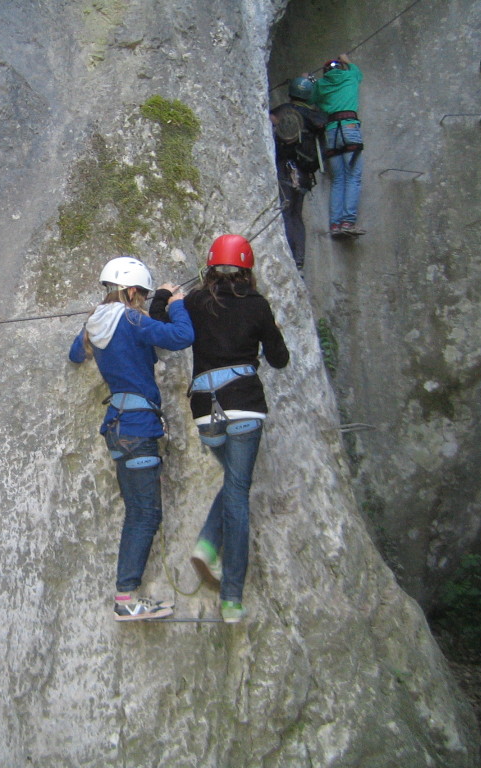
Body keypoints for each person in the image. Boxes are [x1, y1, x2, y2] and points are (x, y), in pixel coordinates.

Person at [150, 236, 289, 623]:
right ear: (247, 269)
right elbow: (279, 360)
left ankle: (208, 547)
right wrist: (271, 329)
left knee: (234, 482)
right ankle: (231, 597)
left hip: (204, 408)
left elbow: (162, 322)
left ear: (210, 267)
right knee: (239, 492)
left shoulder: (194, 301)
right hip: (244, 403)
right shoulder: (258, 306)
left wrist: (164, 296)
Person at [68, 256, 194, 622]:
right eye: (142, 293)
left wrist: (94, 322)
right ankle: (125, 598)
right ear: (134, 291)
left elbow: (76, 355)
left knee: (138, 513)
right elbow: (182, 336)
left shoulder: (96, 321)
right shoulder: (134, 319)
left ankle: (127, 595)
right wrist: (176, 302)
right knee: (144, 514)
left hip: (117, 428)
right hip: (138, 427)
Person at [269, 77, 328, 272]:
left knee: (286, 211)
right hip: (303, 173)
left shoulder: (282, 110)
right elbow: (322, 123)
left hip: (285, 167)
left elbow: (271, 119)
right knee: (296, 214)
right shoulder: (315, 116)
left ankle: (288, 254)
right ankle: (299, 260)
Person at [311, 53, 365, 238]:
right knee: (353, 177)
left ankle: (335, 224)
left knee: (339, 179)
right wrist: (346, 59)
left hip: (332, 132)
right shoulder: (350, 75)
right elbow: (358, 73)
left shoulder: (321, 85)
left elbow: (313, 98)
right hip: (350, 128)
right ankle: (347, 222)